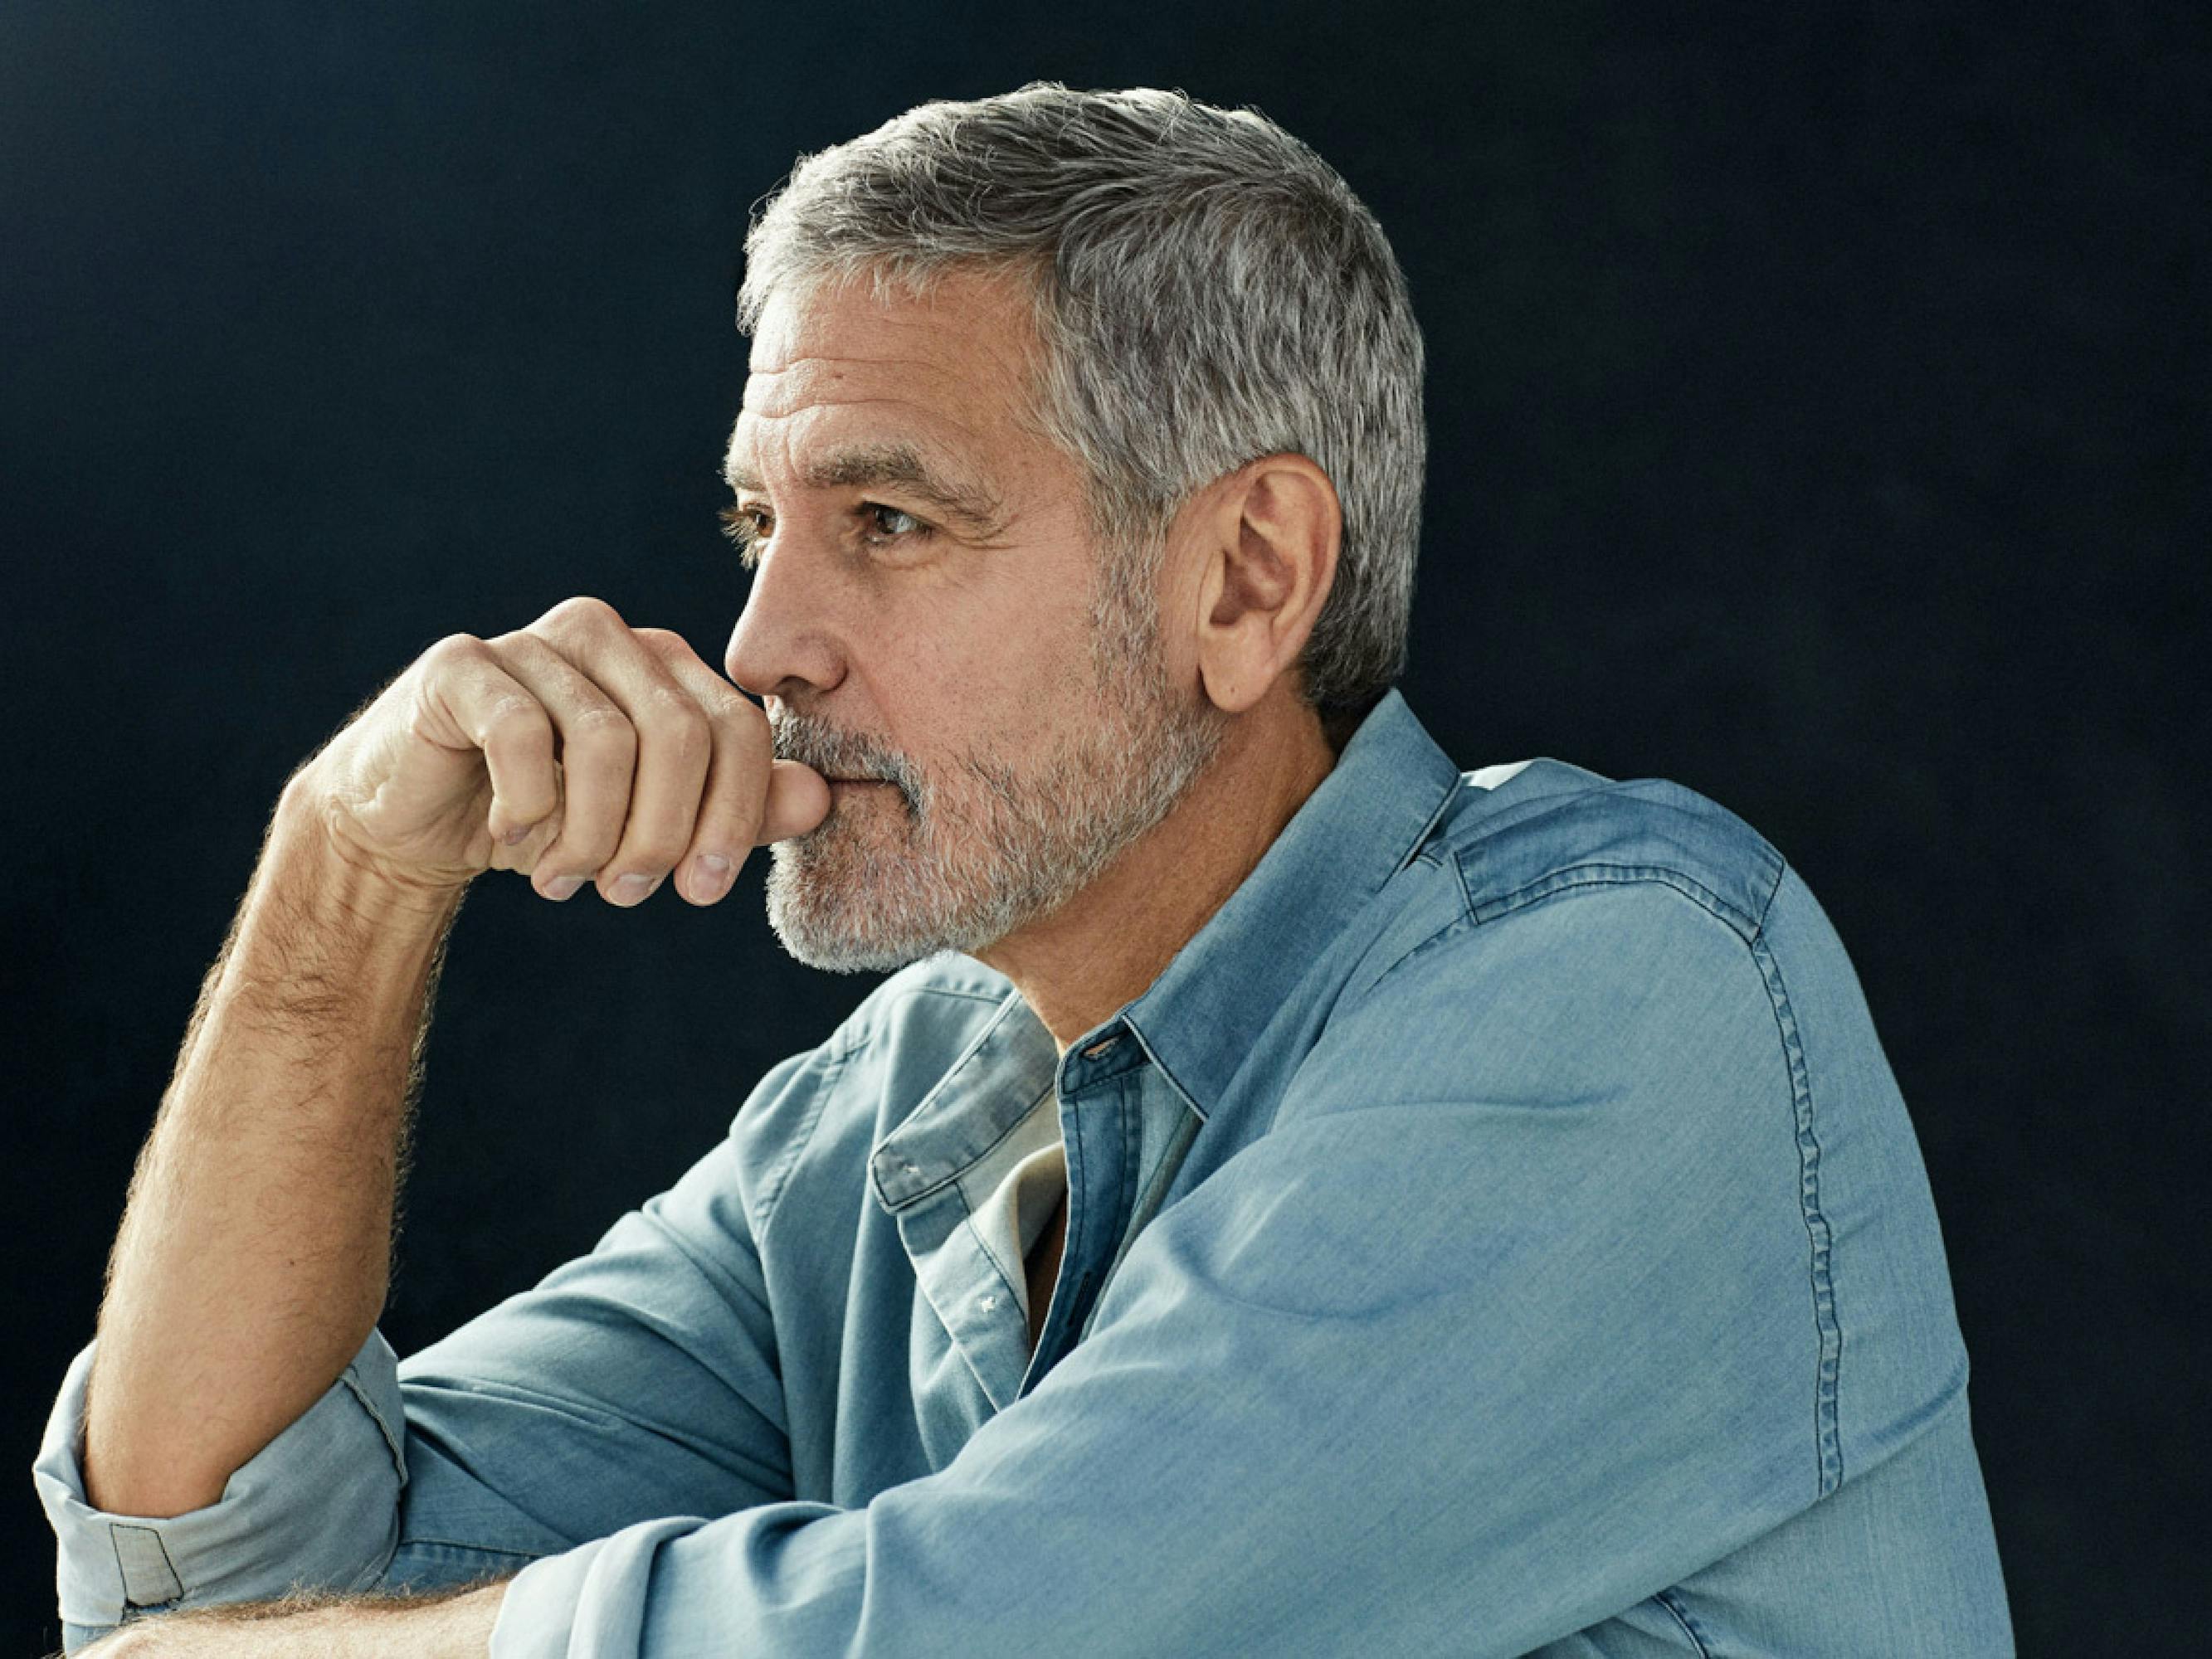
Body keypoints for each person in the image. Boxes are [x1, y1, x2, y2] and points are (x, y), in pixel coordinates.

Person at [33, 83, 2015, 1657]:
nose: (760, 650)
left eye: (887, 518)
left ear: (1243, 580)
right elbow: (221, 1572)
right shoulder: (880, 1125)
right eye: (757, 527)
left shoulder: (1620, 990)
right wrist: (344, 875)